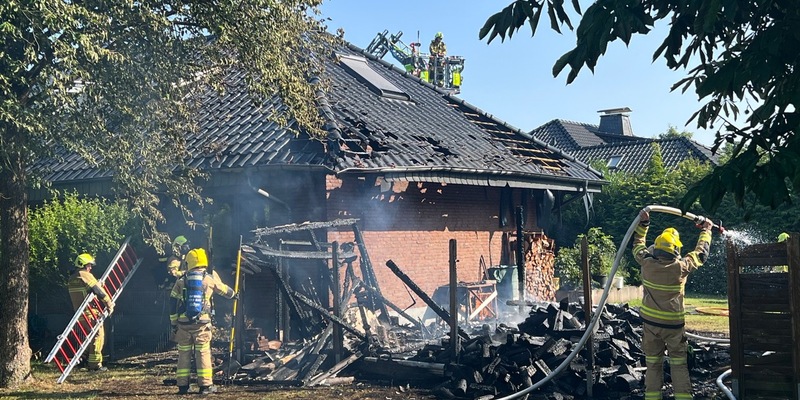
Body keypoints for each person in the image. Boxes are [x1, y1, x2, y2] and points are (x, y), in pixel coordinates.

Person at [633, 209, 713, 400]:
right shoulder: (681, 267)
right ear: (676, 250)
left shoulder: (646, 263)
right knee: (679, 364)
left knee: (653, 364)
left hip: (651, 326)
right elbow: (701, 253)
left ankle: (652, 397)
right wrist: (706, 230)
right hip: (674, 327)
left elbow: (637, 244)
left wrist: (643, 224)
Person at [170, 248, 236, 395]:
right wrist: (234, 295)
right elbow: (223, 290)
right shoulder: (208, 279)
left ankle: (182, 386)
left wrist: (174, 323)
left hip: (183, 324)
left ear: (189, 263)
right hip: (202, 324)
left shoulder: (181, 281)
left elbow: (172, 302)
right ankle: (205, 386)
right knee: (203, 353)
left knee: (184, 354)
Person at [68, 253, 115, 371]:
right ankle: (95, 365)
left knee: (87, 338)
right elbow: (99, 292)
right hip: (90, 313)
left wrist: (98, 284)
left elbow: (86, 292)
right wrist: (109, 304)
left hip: (79, 314)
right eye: (89, 265)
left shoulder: (73, 277)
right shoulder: (85, 275)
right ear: (83, 265)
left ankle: (82, 360)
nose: (90, 268)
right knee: (97, 336)